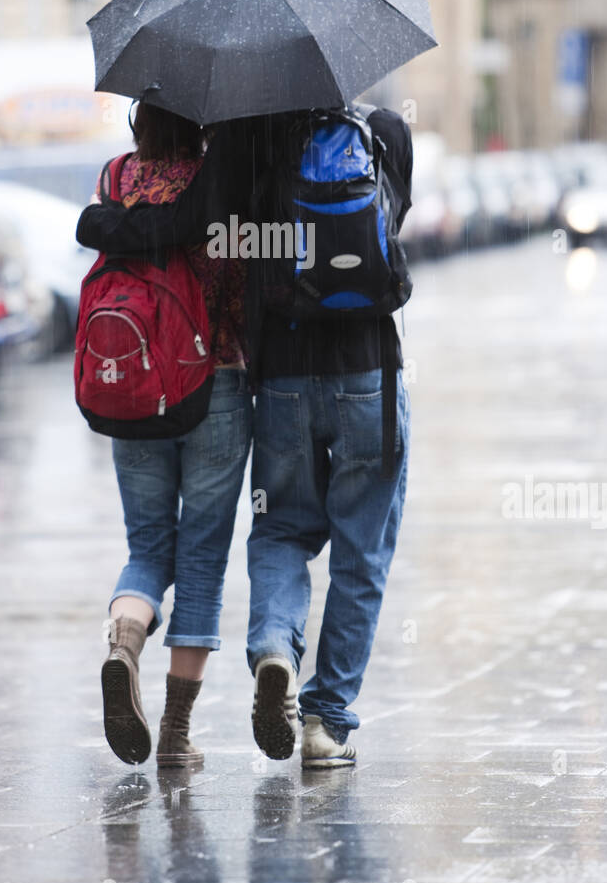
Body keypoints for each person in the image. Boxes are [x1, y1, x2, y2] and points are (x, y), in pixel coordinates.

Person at [86, 105, 413, 770]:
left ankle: (256, 648)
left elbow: (242, 251)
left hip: (261, 380)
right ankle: (323, 723)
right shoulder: (383, 133)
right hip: (348, 373)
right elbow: (385, 229)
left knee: (276, 532)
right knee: (356, 555)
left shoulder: (235, 148)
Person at [76, 103, 251, 769]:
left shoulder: (115, 179)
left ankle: (124, 642)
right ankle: (175, 737)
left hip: (135, 385)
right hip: (215, 383)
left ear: (138, 122)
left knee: (147, 547)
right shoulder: (215, 183)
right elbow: (236, 287)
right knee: (202, 559)